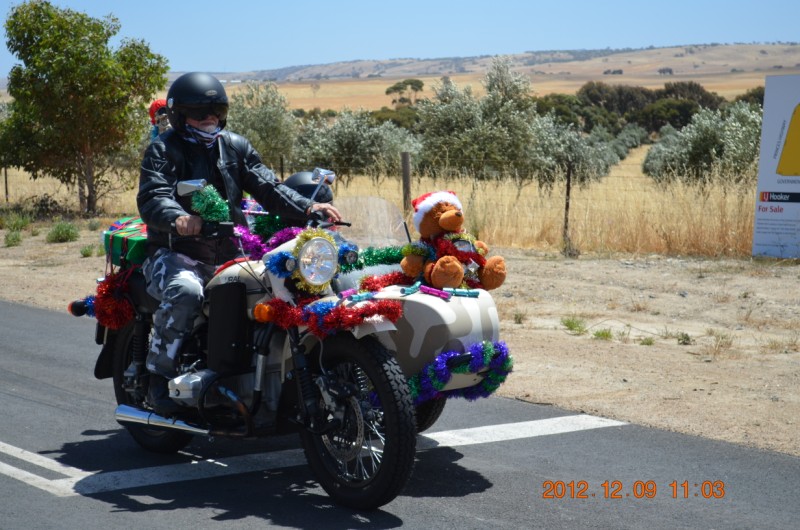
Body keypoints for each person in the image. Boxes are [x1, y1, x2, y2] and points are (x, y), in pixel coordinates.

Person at [137, 72, 341, 415]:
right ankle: (158, 377)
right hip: (177, 251)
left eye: (216, 111)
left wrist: (309, 207)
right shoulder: (163, 149)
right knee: (186, 292)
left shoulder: (234, 146)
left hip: (231, 250)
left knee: (278, 286)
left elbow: (268, 187)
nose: (210, 118)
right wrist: (179, 218)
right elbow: (153, 195)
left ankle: (261, 376)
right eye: (200, 113)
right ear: (180, 115)